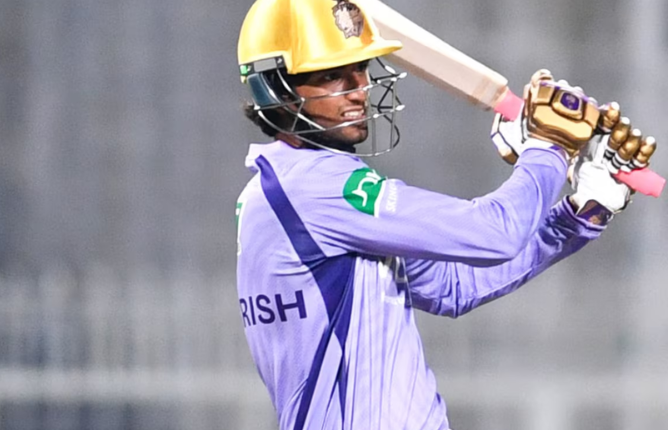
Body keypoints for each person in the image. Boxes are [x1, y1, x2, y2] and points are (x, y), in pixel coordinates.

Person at [234, 0, 656, 429]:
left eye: (360, 68)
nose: (359, 89)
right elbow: (494, 234)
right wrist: (548, 146)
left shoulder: (285, 190)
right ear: (276, 90)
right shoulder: (314, 188)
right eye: (332, 76)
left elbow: (453, 286)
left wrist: (578, 213)